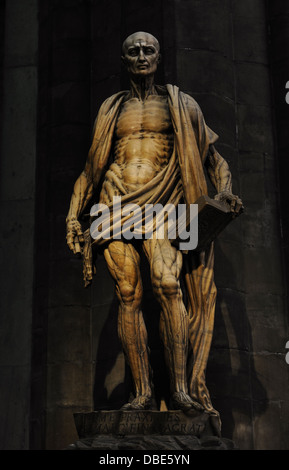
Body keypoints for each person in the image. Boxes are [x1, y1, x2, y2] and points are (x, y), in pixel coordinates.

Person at [66, 32, 243, 433]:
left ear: (159, 57)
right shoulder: (111, 110)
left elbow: (214, 160)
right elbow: (91, 170)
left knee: (168, 285)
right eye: (134, 51)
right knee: (128, 294)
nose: (142, 56)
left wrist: (226, 192)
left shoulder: (181, 105)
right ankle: (143, 392)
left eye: (149, 51)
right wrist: (73, 215)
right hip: (114, 201)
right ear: (124, 59)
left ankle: (180, 390)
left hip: (163, 203)